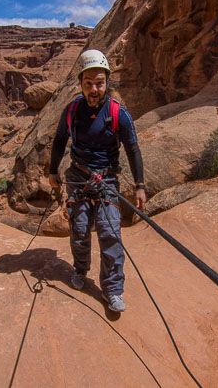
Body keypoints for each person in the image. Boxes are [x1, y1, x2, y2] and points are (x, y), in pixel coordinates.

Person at [48, 49, 146, 312]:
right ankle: (80, 269)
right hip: (78, 178)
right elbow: (59, 141)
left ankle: (112, 289)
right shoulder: (71, 111)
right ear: (80, 83)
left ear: (107, 83)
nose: (94, 89)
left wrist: (140, 185)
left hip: (106, 181)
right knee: (79, 232)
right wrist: (52, 171)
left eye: (99, 83)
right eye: (88, 83)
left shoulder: (118, 114)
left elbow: (133, 149)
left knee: (110, 234)